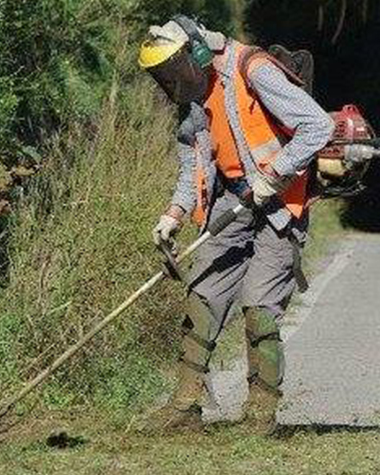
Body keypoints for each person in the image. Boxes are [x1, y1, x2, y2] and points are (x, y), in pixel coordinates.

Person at [138, 16, 335, 432]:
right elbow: (194, 161)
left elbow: (319, 126)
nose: (170, 82)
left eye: (173, 70)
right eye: (163, 76)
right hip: (233, 198)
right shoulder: (193, 94)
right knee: (202, 292)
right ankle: (184, 407)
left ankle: (262, 414)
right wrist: (173, 214)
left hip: (282, 199)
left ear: (196, 53)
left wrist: (274, 174)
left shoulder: (253, 69)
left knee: (259, 305)